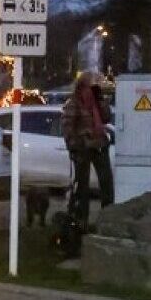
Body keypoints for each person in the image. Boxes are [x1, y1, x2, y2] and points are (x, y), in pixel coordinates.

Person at [60, 71, 113, 227]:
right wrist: (73, 145)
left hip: (99, 145)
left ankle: (108, 217)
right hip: (83, 146)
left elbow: (106, 117)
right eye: (93, 84)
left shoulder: (96, 101)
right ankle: (81, 219)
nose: (96, 87)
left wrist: (101, 100)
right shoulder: (74, 103)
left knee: (107, 183)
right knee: (82, 185)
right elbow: (67, 125)